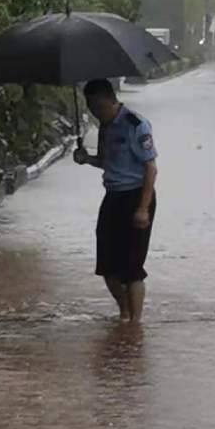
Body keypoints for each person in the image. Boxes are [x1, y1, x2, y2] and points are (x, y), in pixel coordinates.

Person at [73, 79, 158, 324]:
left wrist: (143, 209)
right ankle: (124, 312)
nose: (96, 112)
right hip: (113, 197)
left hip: (137, 196)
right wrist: (87, 159)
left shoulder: (136, 125)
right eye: (91, 108)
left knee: (132, 266)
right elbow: (106, 161)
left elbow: (151, 168)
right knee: (107, 265)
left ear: (112, 100)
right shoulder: (105, 127)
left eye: (99, 107)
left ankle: (135, 323)